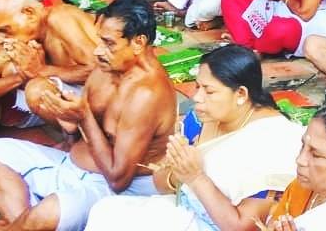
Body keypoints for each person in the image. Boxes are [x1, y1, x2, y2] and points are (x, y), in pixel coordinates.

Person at [0, 0, 178, 231]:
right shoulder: (105, 69)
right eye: (99, 41)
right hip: (73, 166)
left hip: (114, 189)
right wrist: (69, 124)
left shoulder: (146, 94)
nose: (98, 51)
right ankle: (22, 225)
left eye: (108, 43)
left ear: (138, 42)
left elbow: (118, 179)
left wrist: (83, 118)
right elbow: (80, 132)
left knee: (48, 213)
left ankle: (13, 226)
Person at [86, 44, 302, 231]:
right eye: (197, 86)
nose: (197, 98)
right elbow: (162, 183)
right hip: (183, 211)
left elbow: (244, 226)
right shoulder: (200, 119)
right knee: (104, 211)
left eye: (209, 91)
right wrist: (176, 171)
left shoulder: (275, 141)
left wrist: (196, 178)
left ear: (241, 95)